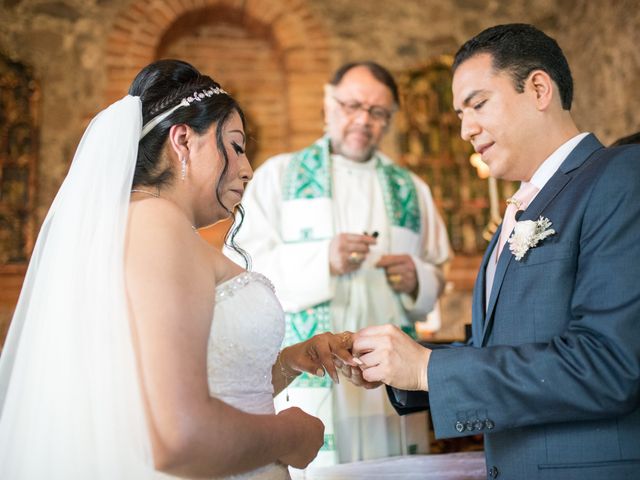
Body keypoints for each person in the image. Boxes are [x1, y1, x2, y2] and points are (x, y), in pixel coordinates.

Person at [0, 59, 359, 479]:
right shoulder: (156, 224)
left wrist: (292, 361)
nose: (247, 169)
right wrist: (291, 434)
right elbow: (178, 438)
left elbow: (212, 389)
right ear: (183, 140)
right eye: (237, 146)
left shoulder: (141, 226)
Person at [351, 24, 640, 479]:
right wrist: (400, 366)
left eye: (478, 104)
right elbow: (503, 349)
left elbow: (607, 363)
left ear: (539, 89)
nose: (466, 129)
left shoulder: (620, 177)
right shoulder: (522, 207)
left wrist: (430, 370)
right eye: (459, 114)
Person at [225, 61, 451, 465]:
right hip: (316, 375)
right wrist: (321, 259)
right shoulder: (279, 176)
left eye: (378, 112)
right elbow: (241, 272)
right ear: (328, 105)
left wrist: (417, 278)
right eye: (351, 106)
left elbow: (438, 271)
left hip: (387, 383)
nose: (363, 120)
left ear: (390, 120)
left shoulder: (412, 190)